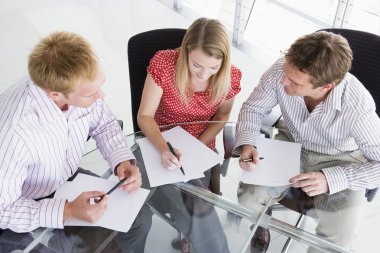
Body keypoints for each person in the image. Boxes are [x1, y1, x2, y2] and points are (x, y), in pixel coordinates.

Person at [0, 31, 151, 252]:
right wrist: (67, 211)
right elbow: (4, 210)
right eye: (91, 94)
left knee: (139, 219)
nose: (101, 96)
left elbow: (105, 124)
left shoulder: (76, 84)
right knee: (80, 247)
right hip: (25, 207)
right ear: (55, 95)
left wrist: (121, 161)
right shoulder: (15, 133)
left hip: (65, 180)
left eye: (100, 85)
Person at [233, 30, 380, 253]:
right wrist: (248, 143)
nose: (283, 81)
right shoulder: (283, 69)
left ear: (326, 86)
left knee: (338, 240)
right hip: (291, 142)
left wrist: (334, 178)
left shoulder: (358, 107)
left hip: (340, 159)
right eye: (286, 72)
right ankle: (263, 223)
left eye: (294, 82)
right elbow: (253, 109)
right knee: (248, 198)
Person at [137, 17, 241, 252]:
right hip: (160, 140)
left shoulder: (231, 75)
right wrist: (164, 148)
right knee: (190, 202)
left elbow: (222, 115)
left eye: (214, 67)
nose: (204, 74)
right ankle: (196, 237)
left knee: (195, 203)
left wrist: (197, 145)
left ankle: (193, 235)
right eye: (197, 65)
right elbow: (144, 116)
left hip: (201, 144)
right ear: (185, 52)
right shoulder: (164, 63)